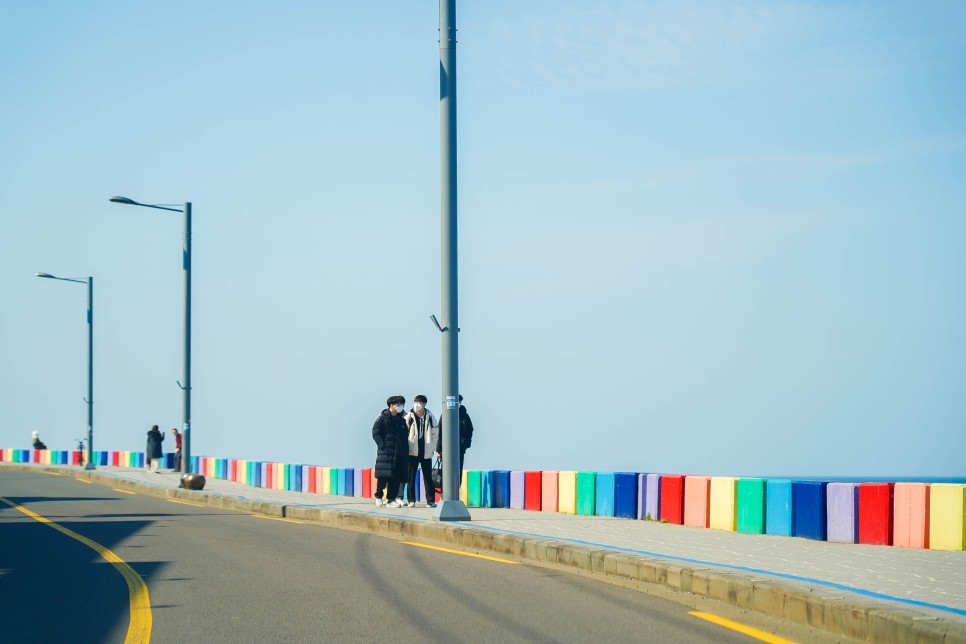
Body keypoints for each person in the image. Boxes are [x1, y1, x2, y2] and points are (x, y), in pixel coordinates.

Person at [371, 395, 408, 507]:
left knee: (395, 477)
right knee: (383, 476)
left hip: (398, 453)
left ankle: (391, 499)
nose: (400, 406)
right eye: (398, 404)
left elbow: (405, 435)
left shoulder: (401, 420)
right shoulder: (382, 418)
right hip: (386, 452)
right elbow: (376, 433)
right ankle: (378, 496)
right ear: (391, 405)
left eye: (401, 404)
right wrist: (382, 445)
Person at [404, 395, 439, 508]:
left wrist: (432, 447)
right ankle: (411, 500)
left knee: (428, 477)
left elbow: (435, 433)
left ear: (424, 404)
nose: (416, 404)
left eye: (419, 402)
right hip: (412, 452)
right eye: (415, 402)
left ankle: (430, 501)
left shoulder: (430, 416)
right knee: (411, 477)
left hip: (426, 451)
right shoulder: (409, 416)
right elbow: (404, 432)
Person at [435, 394, 474, 475]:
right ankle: (445, 487)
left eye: (459, 401)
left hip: (460, 448)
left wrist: (466, 444)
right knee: (447, 471)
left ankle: (457, 487)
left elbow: (470, 430)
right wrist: (439, 450)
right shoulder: (445, 415)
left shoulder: (465, 416)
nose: (458, 403)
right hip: (447, 448)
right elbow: (440, 432)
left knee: (458, 471)